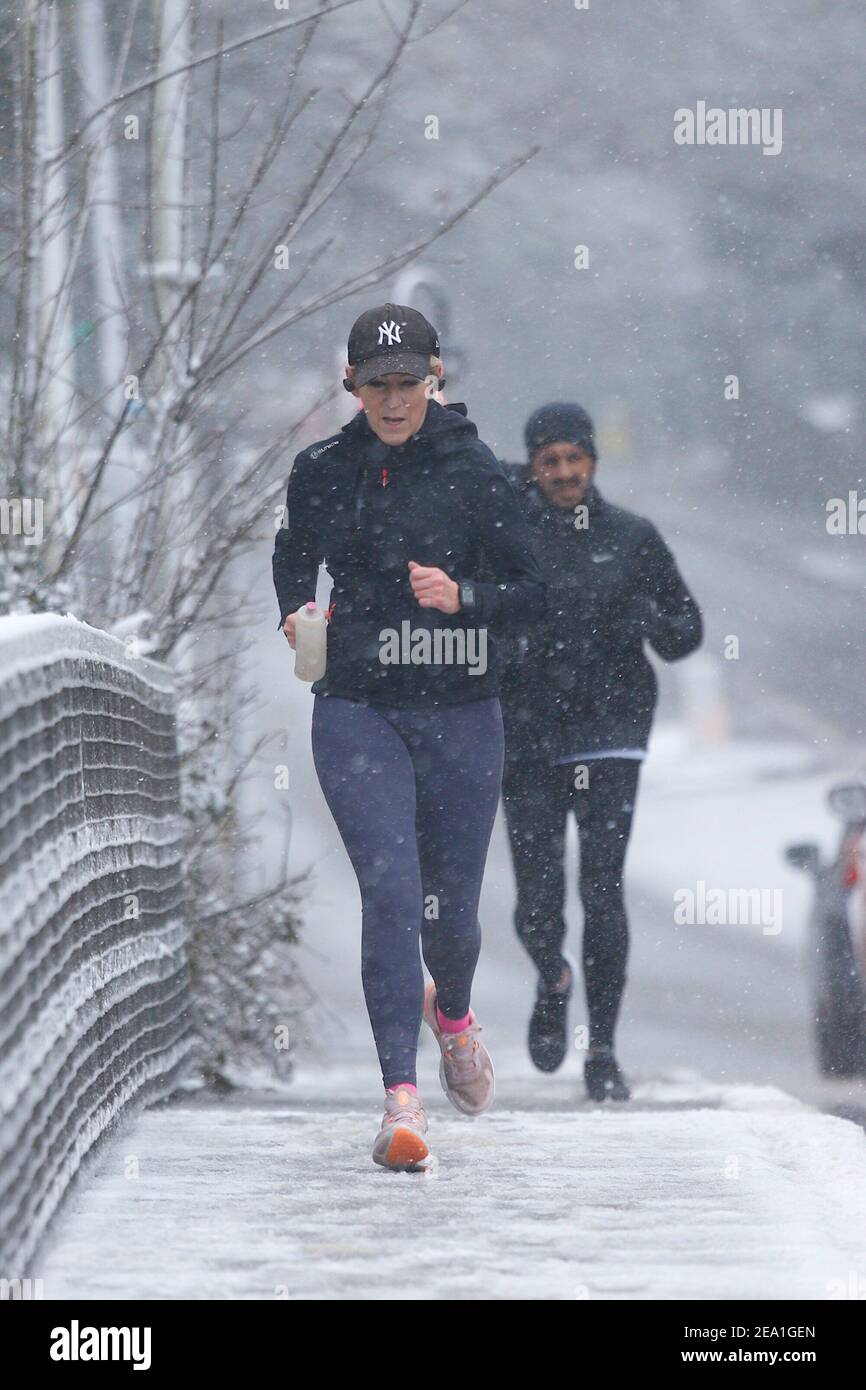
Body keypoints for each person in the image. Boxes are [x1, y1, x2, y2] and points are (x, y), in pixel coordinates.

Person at [272, 304, 546, 1168]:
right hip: (357, 703)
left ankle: (455, 1017)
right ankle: (400, 1097)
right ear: (351, 386)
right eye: (376, 385)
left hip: (462, 706)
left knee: (451, 913)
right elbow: (292, 550)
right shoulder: (321, 469)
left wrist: (464, 597)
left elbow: (532, 588)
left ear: (436, 380)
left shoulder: (478, 474)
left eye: (409, 383)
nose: (393, 402)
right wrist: (294, 609)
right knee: (391, 895)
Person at [498, 402, 703, 1101]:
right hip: (527, 736)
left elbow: (686, 629)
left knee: (603, 893)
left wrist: (644, 615)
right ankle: (553, 979)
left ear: (593, 462)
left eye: (573, 459)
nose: (563, 473)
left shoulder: (632, 537)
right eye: (549, 460)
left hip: (612, 736)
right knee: (535, 903)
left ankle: (605, 1053)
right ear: (532, 465)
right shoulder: (507, 533)